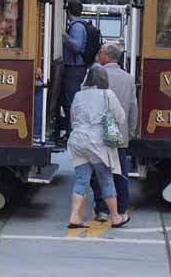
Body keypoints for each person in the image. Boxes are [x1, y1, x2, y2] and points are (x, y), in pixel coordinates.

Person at [67, 65, 130, 229]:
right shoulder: (107, 94)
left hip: (77, 140)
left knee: (81, 180)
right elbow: (121, 118)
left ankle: (74, 216)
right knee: (106, 180)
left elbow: (73, 119)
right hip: (97, 143)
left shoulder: (78, 95)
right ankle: (116, 217)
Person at [89, 44, 138, 222]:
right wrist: (131, 130)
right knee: (120, 171)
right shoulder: (128, 78)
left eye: (100, 52)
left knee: (99, 172)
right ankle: (122, 207)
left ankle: (102, 209)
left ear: (107, 56)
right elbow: (133, 106)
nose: (98, 54)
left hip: (98, 131)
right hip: (119, 131)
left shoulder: (96, 75)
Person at [58, 0, 89, 141]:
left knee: (71, 103)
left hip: (74, 68)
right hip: (76, 68)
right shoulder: (80, 25)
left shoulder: (76, 27)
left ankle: (72, 135)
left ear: (68, 11)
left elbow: (76, 47)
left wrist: (64, 36)